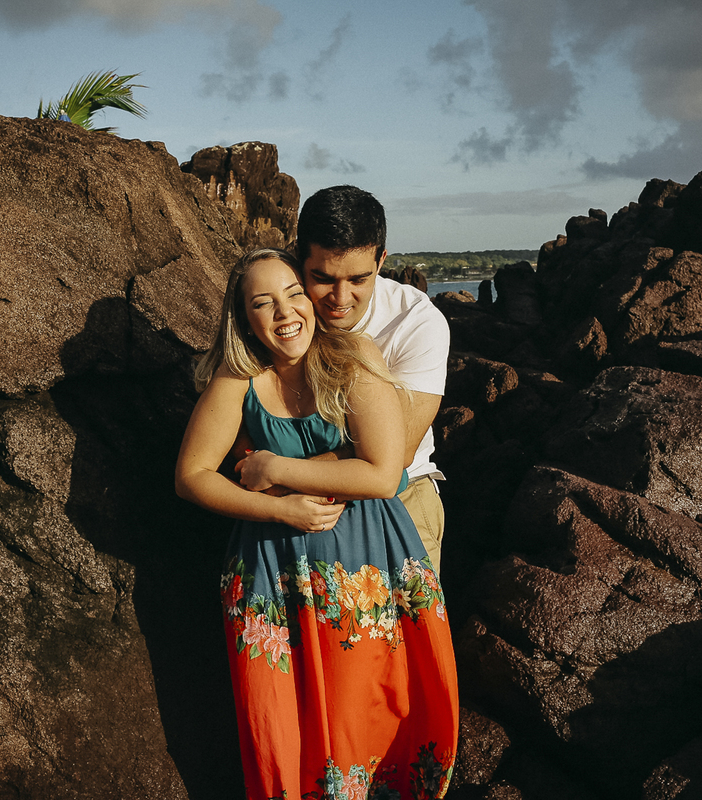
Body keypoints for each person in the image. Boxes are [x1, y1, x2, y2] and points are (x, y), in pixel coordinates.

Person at [175, 248, 458, 798]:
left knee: (368, 711)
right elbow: (191, 476)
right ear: (244, 319)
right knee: (279, 719)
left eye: (293, 294)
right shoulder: (238, 379)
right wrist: (280, 507)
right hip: (271, 573)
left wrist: (274, 467)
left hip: (365, 567)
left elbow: (381, 472)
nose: (285, 313)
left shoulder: (352, 356)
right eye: (263, 303)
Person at [296, 185, 451, 571]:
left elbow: (394, 455)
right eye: (323, 277)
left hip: (401, 498)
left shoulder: (416, 322)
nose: (340, 297)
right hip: (295, 505)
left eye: (358, 280)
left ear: (381, 260)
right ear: (299, 258)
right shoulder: (281, 309)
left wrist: (279, 476)